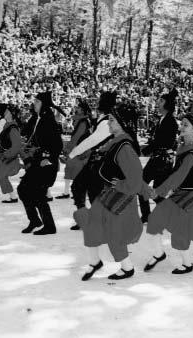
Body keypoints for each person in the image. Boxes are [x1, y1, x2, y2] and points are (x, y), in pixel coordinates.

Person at [144, 113, 193, 275]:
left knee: (180, 230)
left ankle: (187, 264)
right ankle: (159, 254)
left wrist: (159, 191)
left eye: (186, 125)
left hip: (189, 197)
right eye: (181, 124)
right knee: (154, 220)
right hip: (179, 194)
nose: (181, 127)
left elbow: (179, 175)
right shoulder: (183, 148)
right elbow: (186, 175)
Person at [81, 102, 143, 281]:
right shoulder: (116, 143)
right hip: (109, 194)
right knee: (92, 221)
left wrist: (121, 186)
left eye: (113, 120)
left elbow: (136, 179)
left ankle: (127, 268)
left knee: (115, 235)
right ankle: (94, 261)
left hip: (121, 199)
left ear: (123, 123)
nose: (109, 123)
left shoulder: (124, 148)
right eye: (109, 119)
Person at [68, 92, 115, 231]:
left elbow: (93, 140)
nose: (96, 102)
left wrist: (74, 153)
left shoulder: (107, 121)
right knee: (80, 188)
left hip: (101, 162)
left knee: (91, 191)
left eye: (100, 100)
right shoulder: (101, 118)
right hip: (95, 160)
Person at [18, 91, 63, 235]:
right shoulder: (38, 118)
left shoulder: (48, 119)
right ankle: (35, 220)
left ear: (43, 104)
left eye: (37, 102)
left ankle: (49, 226)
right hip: (38, 161)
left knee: (37, 193)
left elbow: (58, 144)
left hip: (47, 163)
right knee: (24, 189)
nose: (34, 104)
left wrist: (49, 158)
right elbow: (29, 134)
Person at [138, 88, 179, 224]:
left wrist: (143, 151)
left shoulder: (170, 121)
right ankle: (149, 216)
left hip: (162, 160)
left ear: (167, 104)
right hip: (159, 158)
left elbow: (162, 142)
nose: (157, 102)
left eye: (161, 100)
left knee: (149, 188)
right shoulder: (163, 119)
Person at [57, 98, 92, 200]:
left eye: (79, 108)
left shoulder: (83, 122)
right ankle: (67, 192)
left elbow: (76, 137)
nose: (77, 109)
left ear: (83, 110)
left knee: (76, 170)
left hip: (81, 149)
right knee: (71, 169)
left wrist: (67, 150)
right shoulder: (81, 120)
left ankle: (76, 192)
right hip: (80, 148)